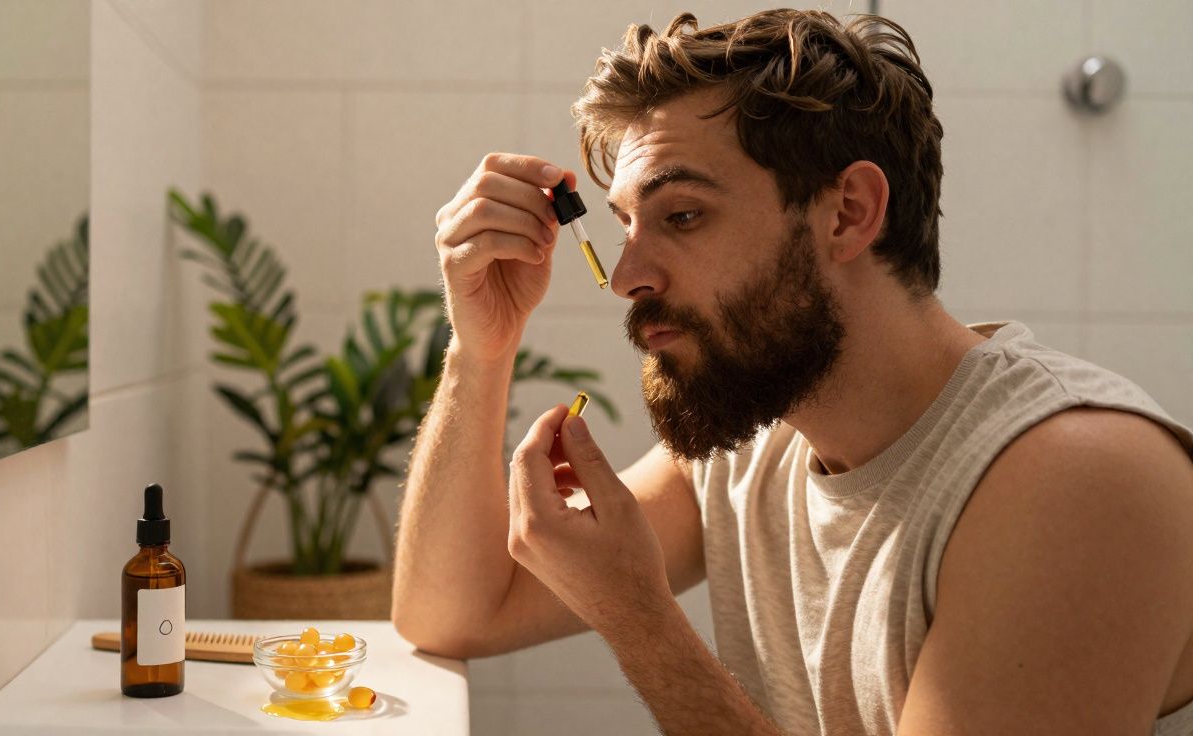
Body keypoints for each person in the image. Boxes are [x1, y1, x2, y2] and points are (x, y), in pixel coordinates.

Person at [392, 9, 1193, 735]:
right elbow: (449, 614)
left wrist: (636, 614)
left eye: (682, 216)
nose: (626, 276)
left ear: (847, 212)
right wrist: (481, 348)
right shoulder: (757, 445)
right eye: (626, 227)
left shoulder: (1079, 476)